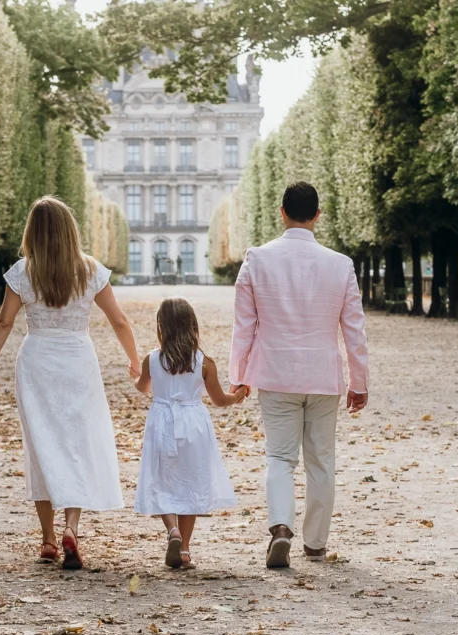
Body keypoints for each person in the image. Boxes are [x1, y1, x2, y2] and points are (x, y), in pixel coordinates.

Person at [0, 196, 140, 570]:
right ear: (71, 231)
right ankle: (72, 526)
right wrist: (135, 360)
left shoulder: (23, 272)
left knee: (41, 445)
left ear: (32, 232)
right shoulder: (89, 270)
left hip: (37, 360)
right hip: (77, 360)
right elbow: (119, 320)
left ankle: (48, 538)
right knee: (76, 443)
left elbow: (4, 322)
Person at [228, 181, 369, 569]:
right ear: (318, 215)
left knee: (279, 457)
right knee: (321, 460)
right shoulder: (340, 264)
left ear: (282, 212)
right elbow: (354, 330)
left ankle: (280, 528)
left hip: (276, 374)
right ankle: (316, 544)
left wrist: (239, 375)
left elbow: (244, 326)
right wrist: (359, 382)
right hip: (323, 375)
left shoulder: (257, 259)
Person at [133, 298, 245, 569]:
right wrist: (238, 395)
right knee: (190, 482)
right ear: (192, 325)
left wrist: (135, 376)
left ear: (161, 326)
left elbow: (143, 387)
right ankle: (184, 549)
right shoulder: (204, 362)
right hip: (193, 424)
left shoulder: (152, 358)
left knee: (162, 479)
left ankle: (171, 529)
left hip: (162, 421)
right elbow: (219, 400)